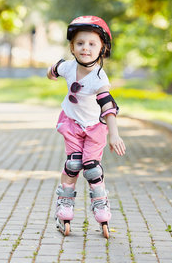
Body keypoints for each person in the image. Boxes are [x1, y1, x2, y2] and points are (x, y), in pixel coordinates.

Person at [47, 15, 126, 238]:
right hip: (71, 124)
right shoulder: (68, 67)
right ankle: (65, 203)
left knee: (92, 168)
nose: (85, 48)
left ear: (102, 49)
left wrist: (115, 135)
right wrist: (51, 73)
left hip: (95, 128)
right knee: (73, 164)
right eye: (80, 43)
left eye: (92, 44)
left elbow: (108, 108)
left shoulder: (99, 78)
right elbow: (55, 69)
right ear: (72, 47)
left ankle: (101, 205)